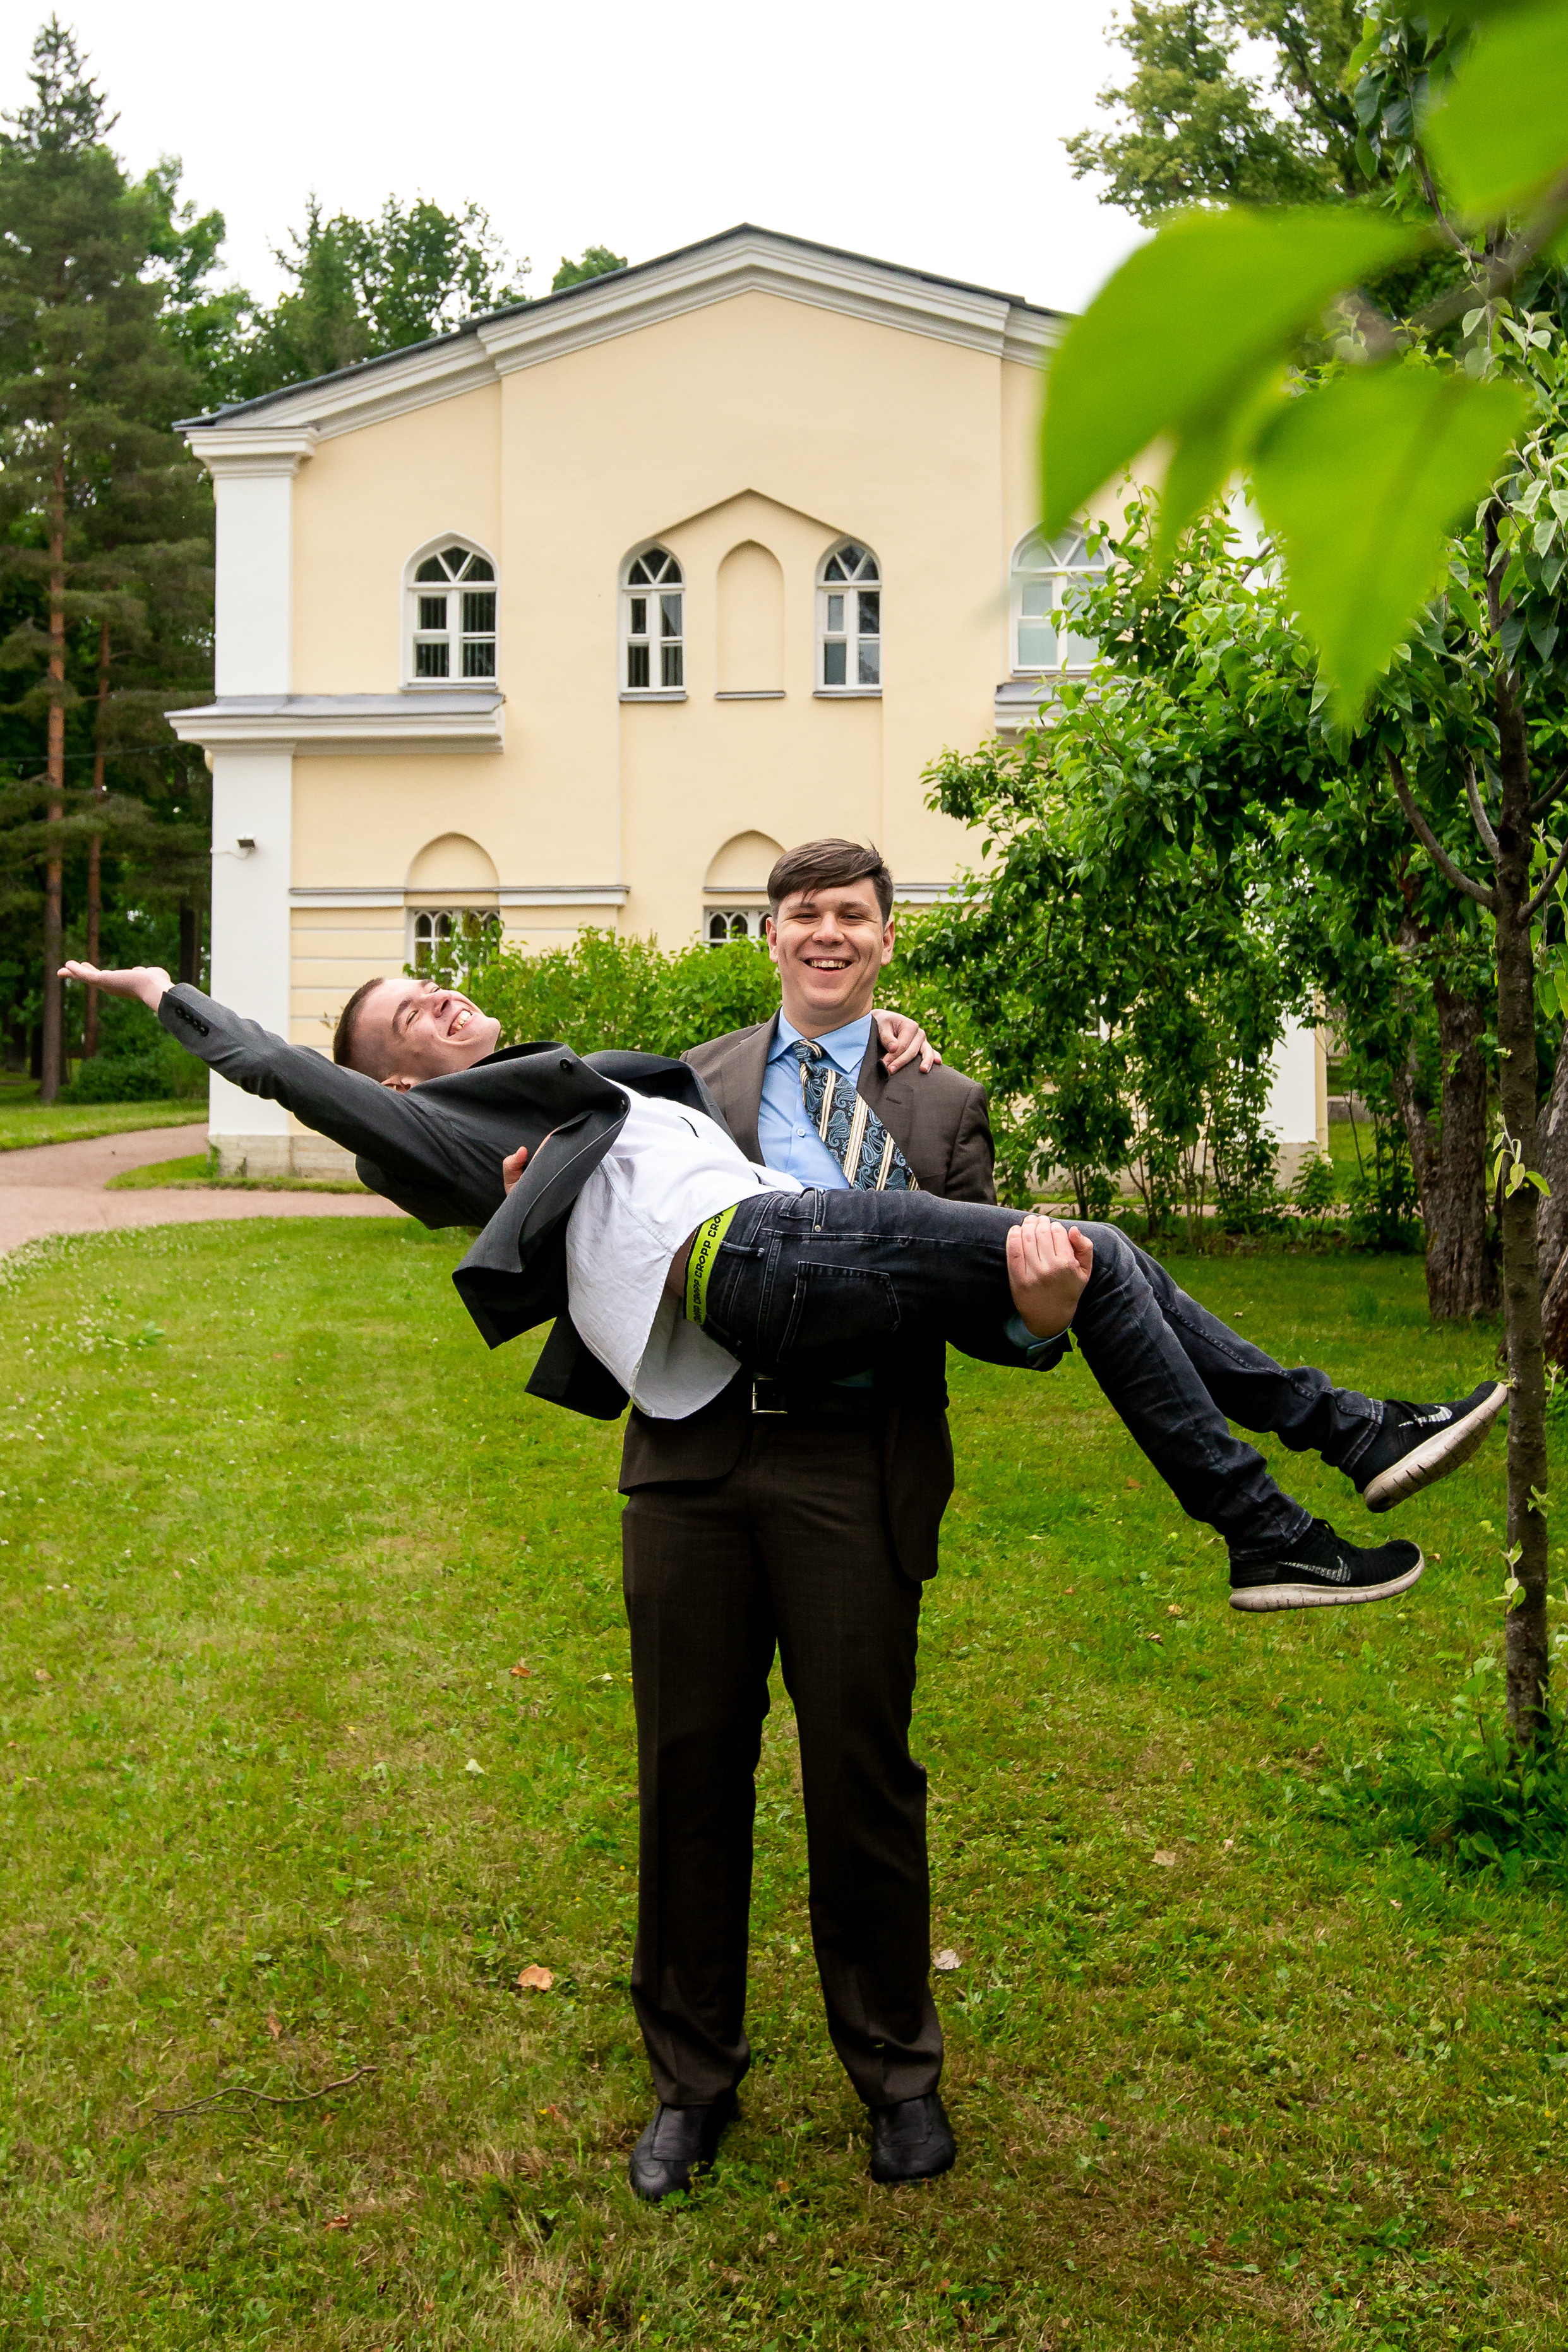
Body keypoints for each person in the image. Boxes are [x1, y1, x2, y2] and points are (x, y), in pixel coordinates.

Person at [62, 940, 1506, 2168]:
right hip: (725, 1352)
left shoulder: (617, 1080)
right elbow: (300, 1080)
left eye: (436, 985)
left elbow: (783, 1048)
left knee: (880, 1728)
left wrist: (882, 1030)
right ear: (398, 1084)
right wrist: (179, 1002)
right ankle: (693, 2083)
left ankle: (900, 2069)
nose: (436, 1001)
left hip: (829, 1402)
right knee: (693, 1772)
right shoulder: (449, 1135)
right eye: (404, 1014)